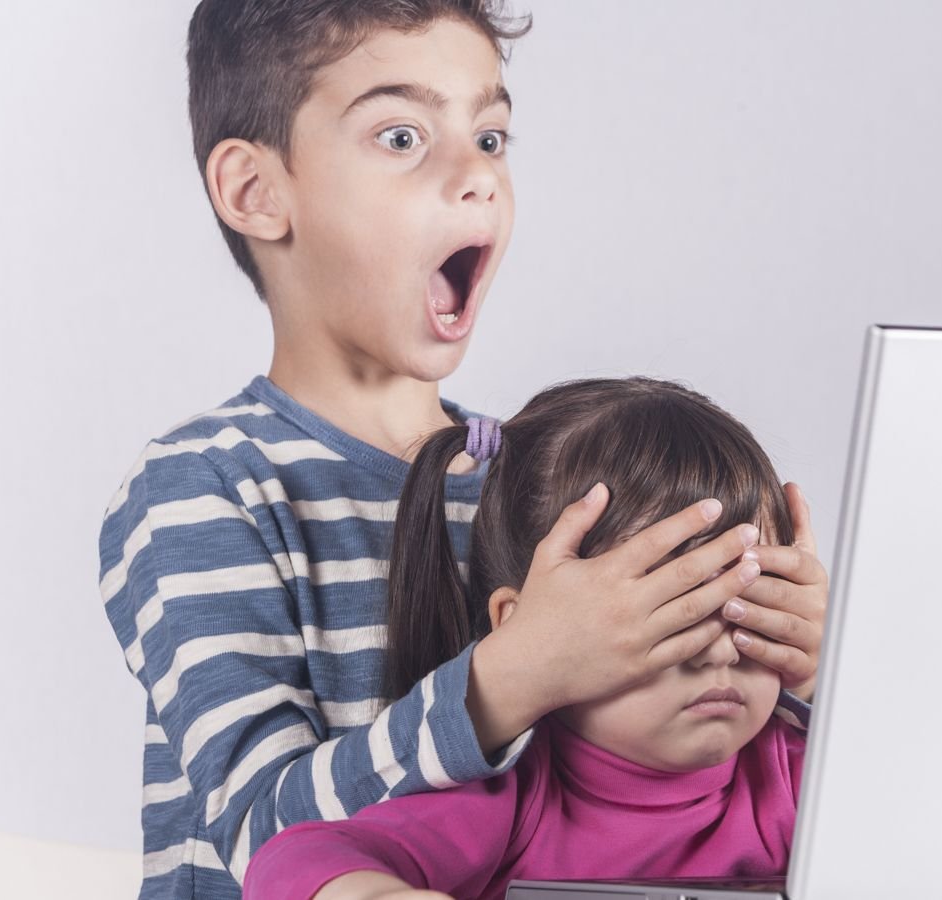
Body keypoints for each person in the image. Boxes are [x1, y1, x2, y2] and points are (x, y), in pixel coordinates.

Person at [97, 3, 828, 896]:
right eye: (402, 135)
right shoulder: (201, 490)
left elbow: (632, 777)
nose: (476, 176)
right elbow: (264, 832)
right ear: (257, 191)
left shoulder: (531, 474)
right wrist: (510, 677)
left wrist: (797, 667)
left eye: (490, 136)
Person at [244, 377, 812, 900]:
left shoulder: (797, 778)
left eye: (749, 603)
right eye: (669, 611)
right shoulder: (513, 800)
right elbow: (295, 857)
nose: (720, 649)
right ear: (526, 626)